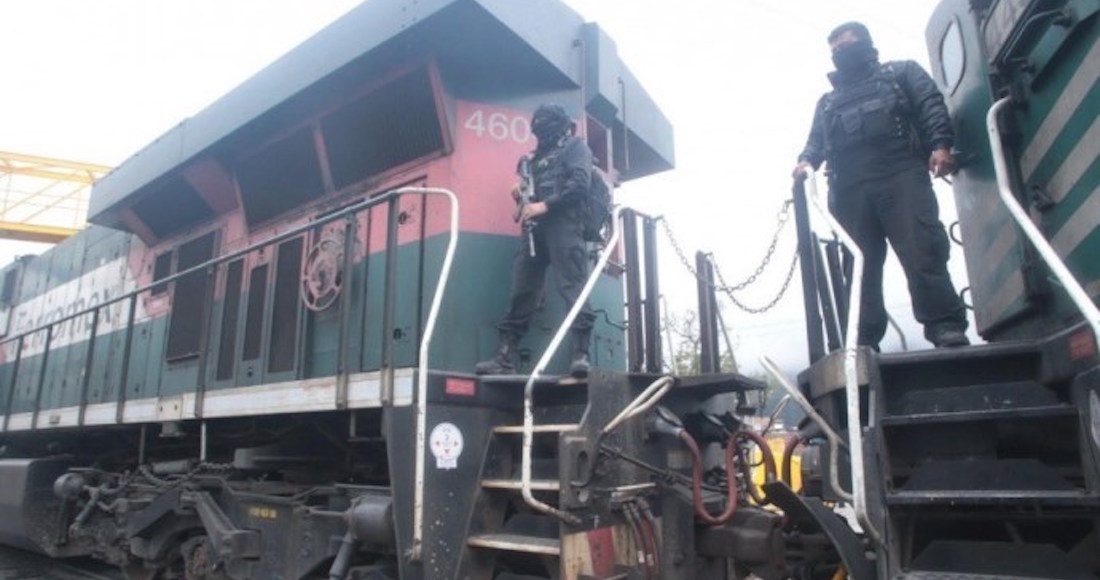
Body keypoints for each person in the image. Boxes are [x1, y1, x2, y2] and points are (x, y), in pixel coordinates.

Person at [792, 21, 969, 349]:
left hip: (901, 175)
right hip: (849, 190)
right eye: (835, 51)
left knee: (922, 249)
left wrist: (940, 145)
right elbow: (815, 142)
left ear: (866, 45)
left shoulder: (902, 73)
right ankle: (862, 338)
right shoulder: (828, 101)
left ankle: (944, 324)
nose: (841, 54)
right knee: (859, 267)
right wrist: (805, 162)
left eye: (847, 45)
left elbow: (931, 106)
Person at [476, 104, 596, 376]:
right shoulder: (532, 159)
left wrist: (545, 205)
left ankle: (581, 355)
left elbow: (579, 185)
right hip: (533, 229)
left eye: (546, 122)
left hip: (564, 226)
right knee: (522, 292)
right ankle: (504, 357)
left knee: (572, 288)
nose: (540, 126)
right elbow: (532, 193)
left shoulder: (576, 148)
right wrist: (521, 194)